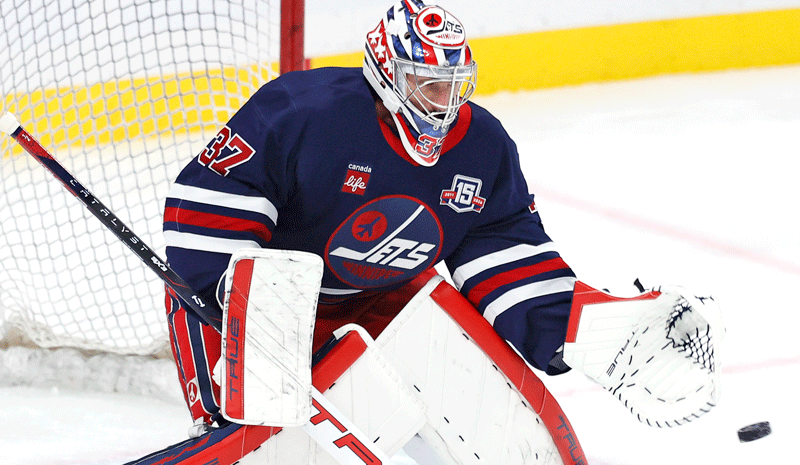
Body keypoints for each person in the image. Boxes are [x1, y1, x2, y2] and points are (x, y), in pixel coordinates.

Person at [163, 0, 576, 430]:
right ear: (385, 75)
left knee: (471, 401)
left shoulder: (482, 145)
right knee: (249, 425)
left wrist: (565, 330)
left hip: (378, 301)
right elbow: (211, 198)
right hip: (273, 306)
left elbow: (502, 238)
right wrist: (238, 300)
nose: (443, 102)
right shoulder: (301, 112)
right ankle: (228, 422)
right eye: (426, 83)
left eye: (452, 84)